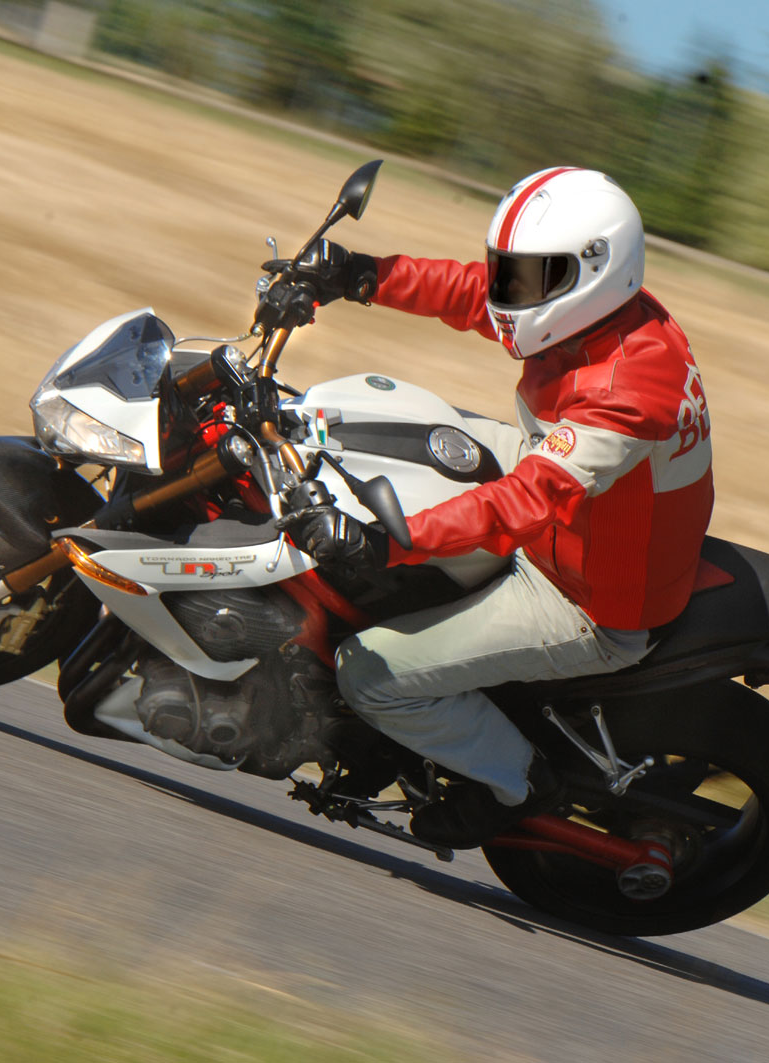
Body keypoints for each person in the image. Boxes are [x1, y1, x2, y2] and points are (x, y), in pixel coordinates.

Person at [288, 166, 714, 848]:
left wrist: (385, 542)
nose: (509, 294)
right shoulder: (602, 312)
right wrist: (362, 274)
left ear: (594, 270)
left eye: (530, 278)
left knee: (369, 674)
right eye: (511, 272)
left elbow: (523, 502)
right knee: (360, 425)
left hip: (585, 595)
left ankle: (517, 785)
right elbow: (470, 295)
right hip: (572, 499)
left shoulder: (626, 393)